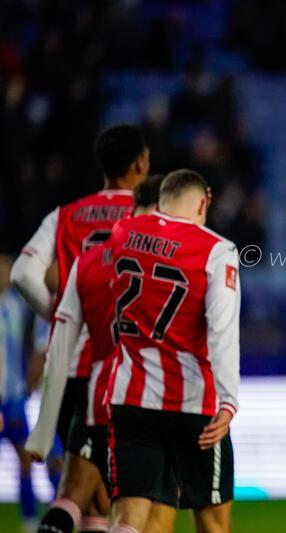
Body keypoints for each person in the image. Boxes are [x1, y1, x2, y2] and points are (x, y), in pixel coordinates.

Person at [11, 124, 149, 533]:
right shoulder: (149, 216)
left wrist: (62, 314)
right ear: (141, 163)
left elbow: (21, 274)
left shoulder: (66, 215)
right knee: (123, 496)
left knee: (90, 495)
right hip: (127, 366)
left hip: (71, 365)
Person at [26, 175, 177, 533]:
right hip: (152, 394)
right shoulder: (176, 257)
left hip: (97, 387)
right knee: (142, 513)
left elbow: (58, 341)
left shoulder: (92, 259)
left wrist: (43, 433)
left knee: (76, 496)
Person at [106, 170, 240, 533]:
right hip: (194, 403)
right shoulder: (217, 250)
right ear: (204, 201)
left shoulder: (122, 233)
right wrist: (228, 401)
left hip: (130, 397)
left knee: (127, 518)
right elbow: (221, 331)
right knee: (212, 522)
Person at [0, 253, 45, 533]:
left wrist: (27, 386)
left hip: (13, 398)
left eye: (6, 270)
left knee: (25, 459)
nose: (4, 274)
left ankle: (29, 520)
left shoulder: (17, 305)